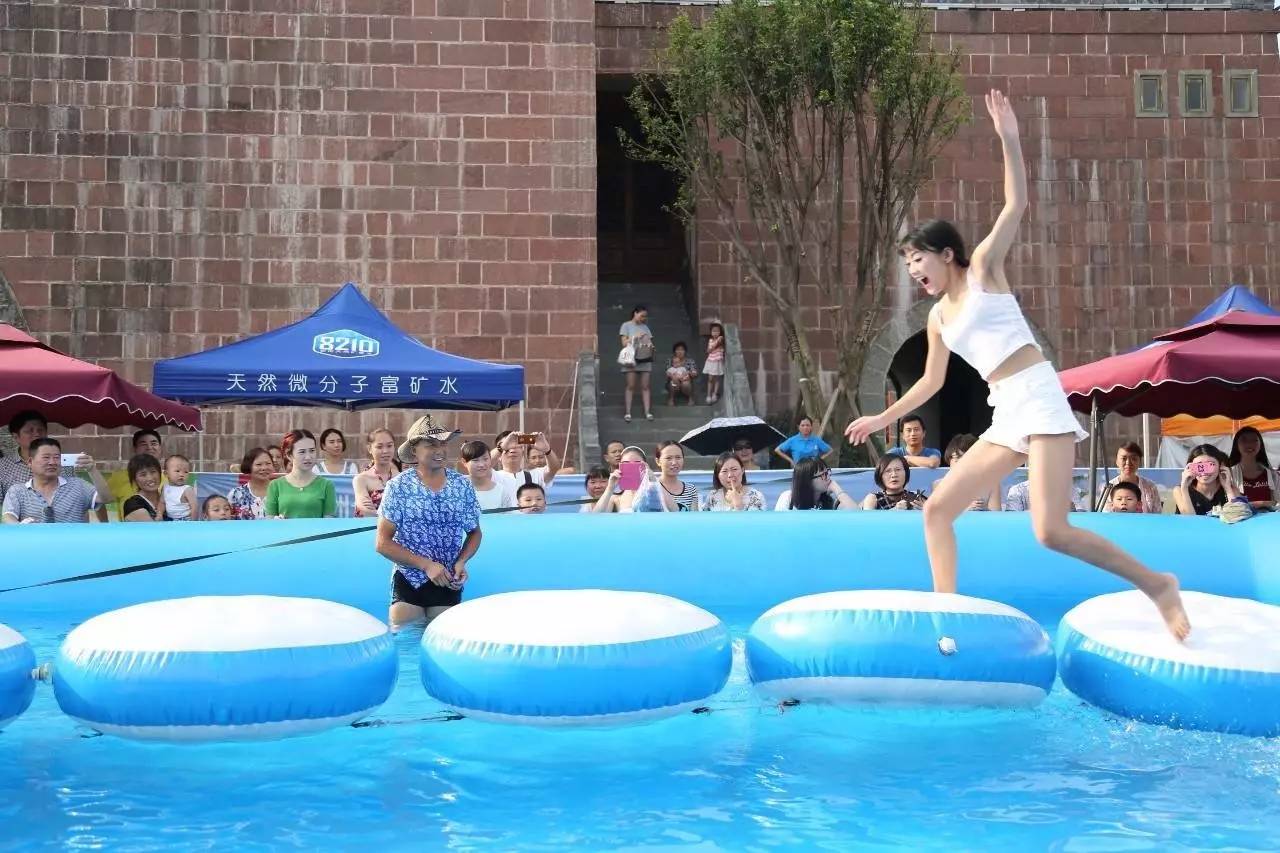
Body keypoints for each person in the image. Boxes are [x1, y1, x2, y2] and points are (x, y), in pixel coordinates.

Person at [844, 90, 1188, 640]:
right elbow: (931, 382)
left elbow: (1015, 206)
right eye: (907, 264)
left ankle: (1157, 585)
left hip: (1037, 393)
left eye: (918, 259)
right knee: (937, 511)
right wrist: (879, 421)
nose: (913, 270)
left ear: (946, 253)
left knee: (1051, 531)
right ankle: (947, 615)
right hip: (1003, 410)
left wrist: (1008, 139)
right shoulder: (937, 318)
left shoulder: (982, 270)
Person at [375, 414, 481, 629]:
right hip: (409, 578)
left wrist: (461, 561)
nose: (439, 450)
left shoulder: (462, 486)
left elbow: (474, 532)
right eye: (430, 445)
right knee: (405, 642)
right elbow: (382, 543)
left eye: (443, 443)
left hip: (447, 580)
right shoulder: (398, 487)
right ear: (414, 450)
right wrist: (426, 565)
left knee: (443, 638)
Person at [2, 437, 109, 523]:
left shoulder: (78, 485)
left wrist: (92, 470)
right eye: (46, 457)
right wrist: (21, 528)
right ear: (30, 462)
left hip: (74, 547)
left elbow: (106, 498)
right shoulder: (17, 491)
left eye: (57, 457)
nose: (52, 462)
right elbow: (8, 516)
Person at [0, 410, 75, 503]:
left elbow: (73, 500)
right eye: (29, 431)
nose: (37, 434)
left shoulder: (62, 463)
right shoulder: (3, 466)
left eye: (40, 430)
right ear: (16, 437)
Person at [264, 430, 337, 519]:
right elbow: (270, 520)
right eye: (302, 452)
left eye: (312, 451)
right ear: (289, 455)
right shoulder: (275, 485)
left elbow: (329, 522)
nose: (308, 457)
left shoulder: (326, 485)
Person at [107, 429, 165, 511]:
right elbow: (97, 501)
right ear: (135, 449)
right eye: (143, 444)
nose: (149, 447)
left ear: (160, 448)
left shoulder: (169, 478)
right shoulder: (119, 477)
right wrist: (104, 523)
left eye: (154, 443)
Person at [1099, 442, 1163, 515]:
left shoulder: (1150, 487)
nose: (1128, 463)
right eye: (1124, 458)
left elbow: (1157, 515)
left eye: (1134, 459)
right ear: (1117, 461)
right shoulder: (1108, 488)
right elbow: (1104, 516)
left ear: (1140, 462)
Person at [1174, 444, 1238, 516]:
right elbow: (1190, 521)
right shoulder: (1180, 490)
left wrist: (1228, 488)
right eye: (1199, 466)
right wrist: (1184, 487)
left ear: (1221, 467)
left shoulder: (1232, 490)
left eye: (1210, 465)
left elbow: (1237, 516)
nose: (1205, 471)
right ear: (1190, 467)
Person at [943, 434, 1002, 511]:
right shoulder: (940, 484)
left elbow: (997, 518)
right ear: (949, 460)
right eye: (957, 458)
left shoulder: (992, 484)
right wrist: (966, 509)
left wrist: (985, 510)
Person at [592, 446, 660, 513]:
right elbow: (596, 518)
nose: (631, 468)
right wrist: (610, 488)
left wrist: (653, 482)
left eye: (636, 463)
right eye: (626, 464)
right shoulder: (617, 498)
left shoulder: (657, 489)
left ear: (645, 465)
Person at [1227, 426, 1279, 511]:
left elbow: (1277, 502)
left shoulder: (1272, 474)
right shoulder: (1230, 474)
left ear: (1260, 444)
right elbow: (1234, 505)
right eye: (1244, 440)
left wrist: (1253, 504)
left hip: (1269, 521)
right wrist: (1263, 503)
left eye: (1254, 440)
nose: (1249, 444)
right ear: (1236, 445)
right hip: (1243, 521)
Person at [353, 428, 401, 518]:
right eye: (379, 447)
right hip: (368, 528)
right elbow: (364, 510)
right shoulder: (361, 479)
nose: (385, 451)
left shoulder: (400, 477)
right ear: (369, 448)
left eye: (389, 446)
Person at [776, 457, 856, 510]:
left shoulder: (830, 501)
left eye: (827, 472)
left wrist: (837, 490)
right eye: (823, 475)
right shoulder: (788, 499)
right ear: (808, 480)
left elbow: (857, 515)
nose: (828, 477)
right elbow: (779, 527)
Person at [619, 304, 655, 422]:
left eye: (645, 316)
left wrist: (652, 347)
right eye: (642, 315)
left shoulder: (646, 327)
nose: (643, 318)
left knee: (645, 386)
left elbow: (650, 340)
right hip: (631, 359)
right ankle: (628, 412)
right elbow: (624, 343)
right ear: (635, 313)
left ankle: (647, 412)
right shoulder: (626, 325)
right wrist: (635, 337)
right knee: (631, 386)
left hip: (645, 358)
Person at [459, 440, 516, 513]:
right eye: (475, 460)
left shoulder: (501, 491)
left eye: (485, 459)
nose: (481, 464)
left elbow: (507, 521)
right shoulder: (456, 487)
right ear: (464, 462)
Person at [494, 431, 561, 489]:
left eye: (516, 445)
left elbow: (554, 468)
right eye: (507, 447)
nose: (512, 450)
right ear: (499, 456)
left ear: (523, 451)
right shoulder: (493, 476)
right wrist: (501, 447)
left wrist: (547, 450)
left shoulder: (535, 475)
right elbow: (484, 463)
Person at [862, 455, 928, 511]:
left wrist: (925, 511)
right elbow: (868, 522)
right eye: (888, 471)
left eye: (898, 470)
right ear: (880, 476)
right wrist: (894, 510)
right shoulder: (873, 498)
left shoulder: (917, 497)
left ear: (906, 473)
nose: (894, 475)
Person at [227, 447, 275, 520]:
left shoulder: (282, 492)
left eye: (268, 464)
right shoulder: (236, 494)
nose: (264, 468)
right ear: (249, 467)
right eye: (259, 464)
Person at [1003, 473, 1087, 513]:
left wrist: (1073, 510)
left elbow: (1082, 515)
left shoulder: (1067, 488)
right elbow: (1012, 517)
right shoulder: (1018, 490)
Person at [655, 441, 700, 511]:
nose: (674, 462)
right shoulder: (651, 488)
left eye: (678, 457)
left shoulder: (691, 489)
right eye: (668, 458)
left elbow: (694, 518)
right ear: (658, 461)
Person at [120, 454, 166, 522]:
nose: (150, 478)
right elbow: (154, 530)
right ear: (135, 480)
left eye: (153, 472)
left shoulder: (167, 498)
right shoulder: (133, 504)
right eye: (143, 474)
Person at [162, 454, 198, 521]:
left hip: (185, 520)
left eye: (186, 472)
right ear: (166, 473)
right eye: (177, 471)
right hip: (169, 519)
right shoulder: (165, 488)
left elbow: (194, 507)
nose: (181, 475)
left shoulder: (187, 489)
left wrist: (193, 523)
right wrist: (159, 514)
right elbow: (162, 503)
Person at [665, 342, 698, 407]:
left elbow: (695, 373)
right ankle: (671, 399)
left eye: (682, 350)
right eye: (677, 350)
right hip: (674, 381)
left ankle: (690, 398)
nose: (680, 352)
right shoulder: (670, 361)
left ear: (685, 351)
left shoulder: (690, 361)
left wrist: (688, 374)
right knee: (673, 382)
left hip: (686, 381)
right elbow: (667, 373)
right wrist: (674, 377)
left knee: (685, 383)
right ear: (674, 352)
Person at [703, 322, 725, 404]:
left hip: (718, 361)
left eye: (717, 331)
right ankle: (708, 395)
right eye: (713, 331)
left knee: (717, 378)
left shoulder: (720, 338)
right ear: (711, 332)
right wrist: (710, 349)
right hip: (711, 361)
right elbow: (708, 350)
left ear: (720, 332)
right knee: (710, 378)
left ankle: (714, 394)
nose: (715, 333)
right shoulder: (710, 340)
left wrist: (711, 348)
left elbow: (711, 348)